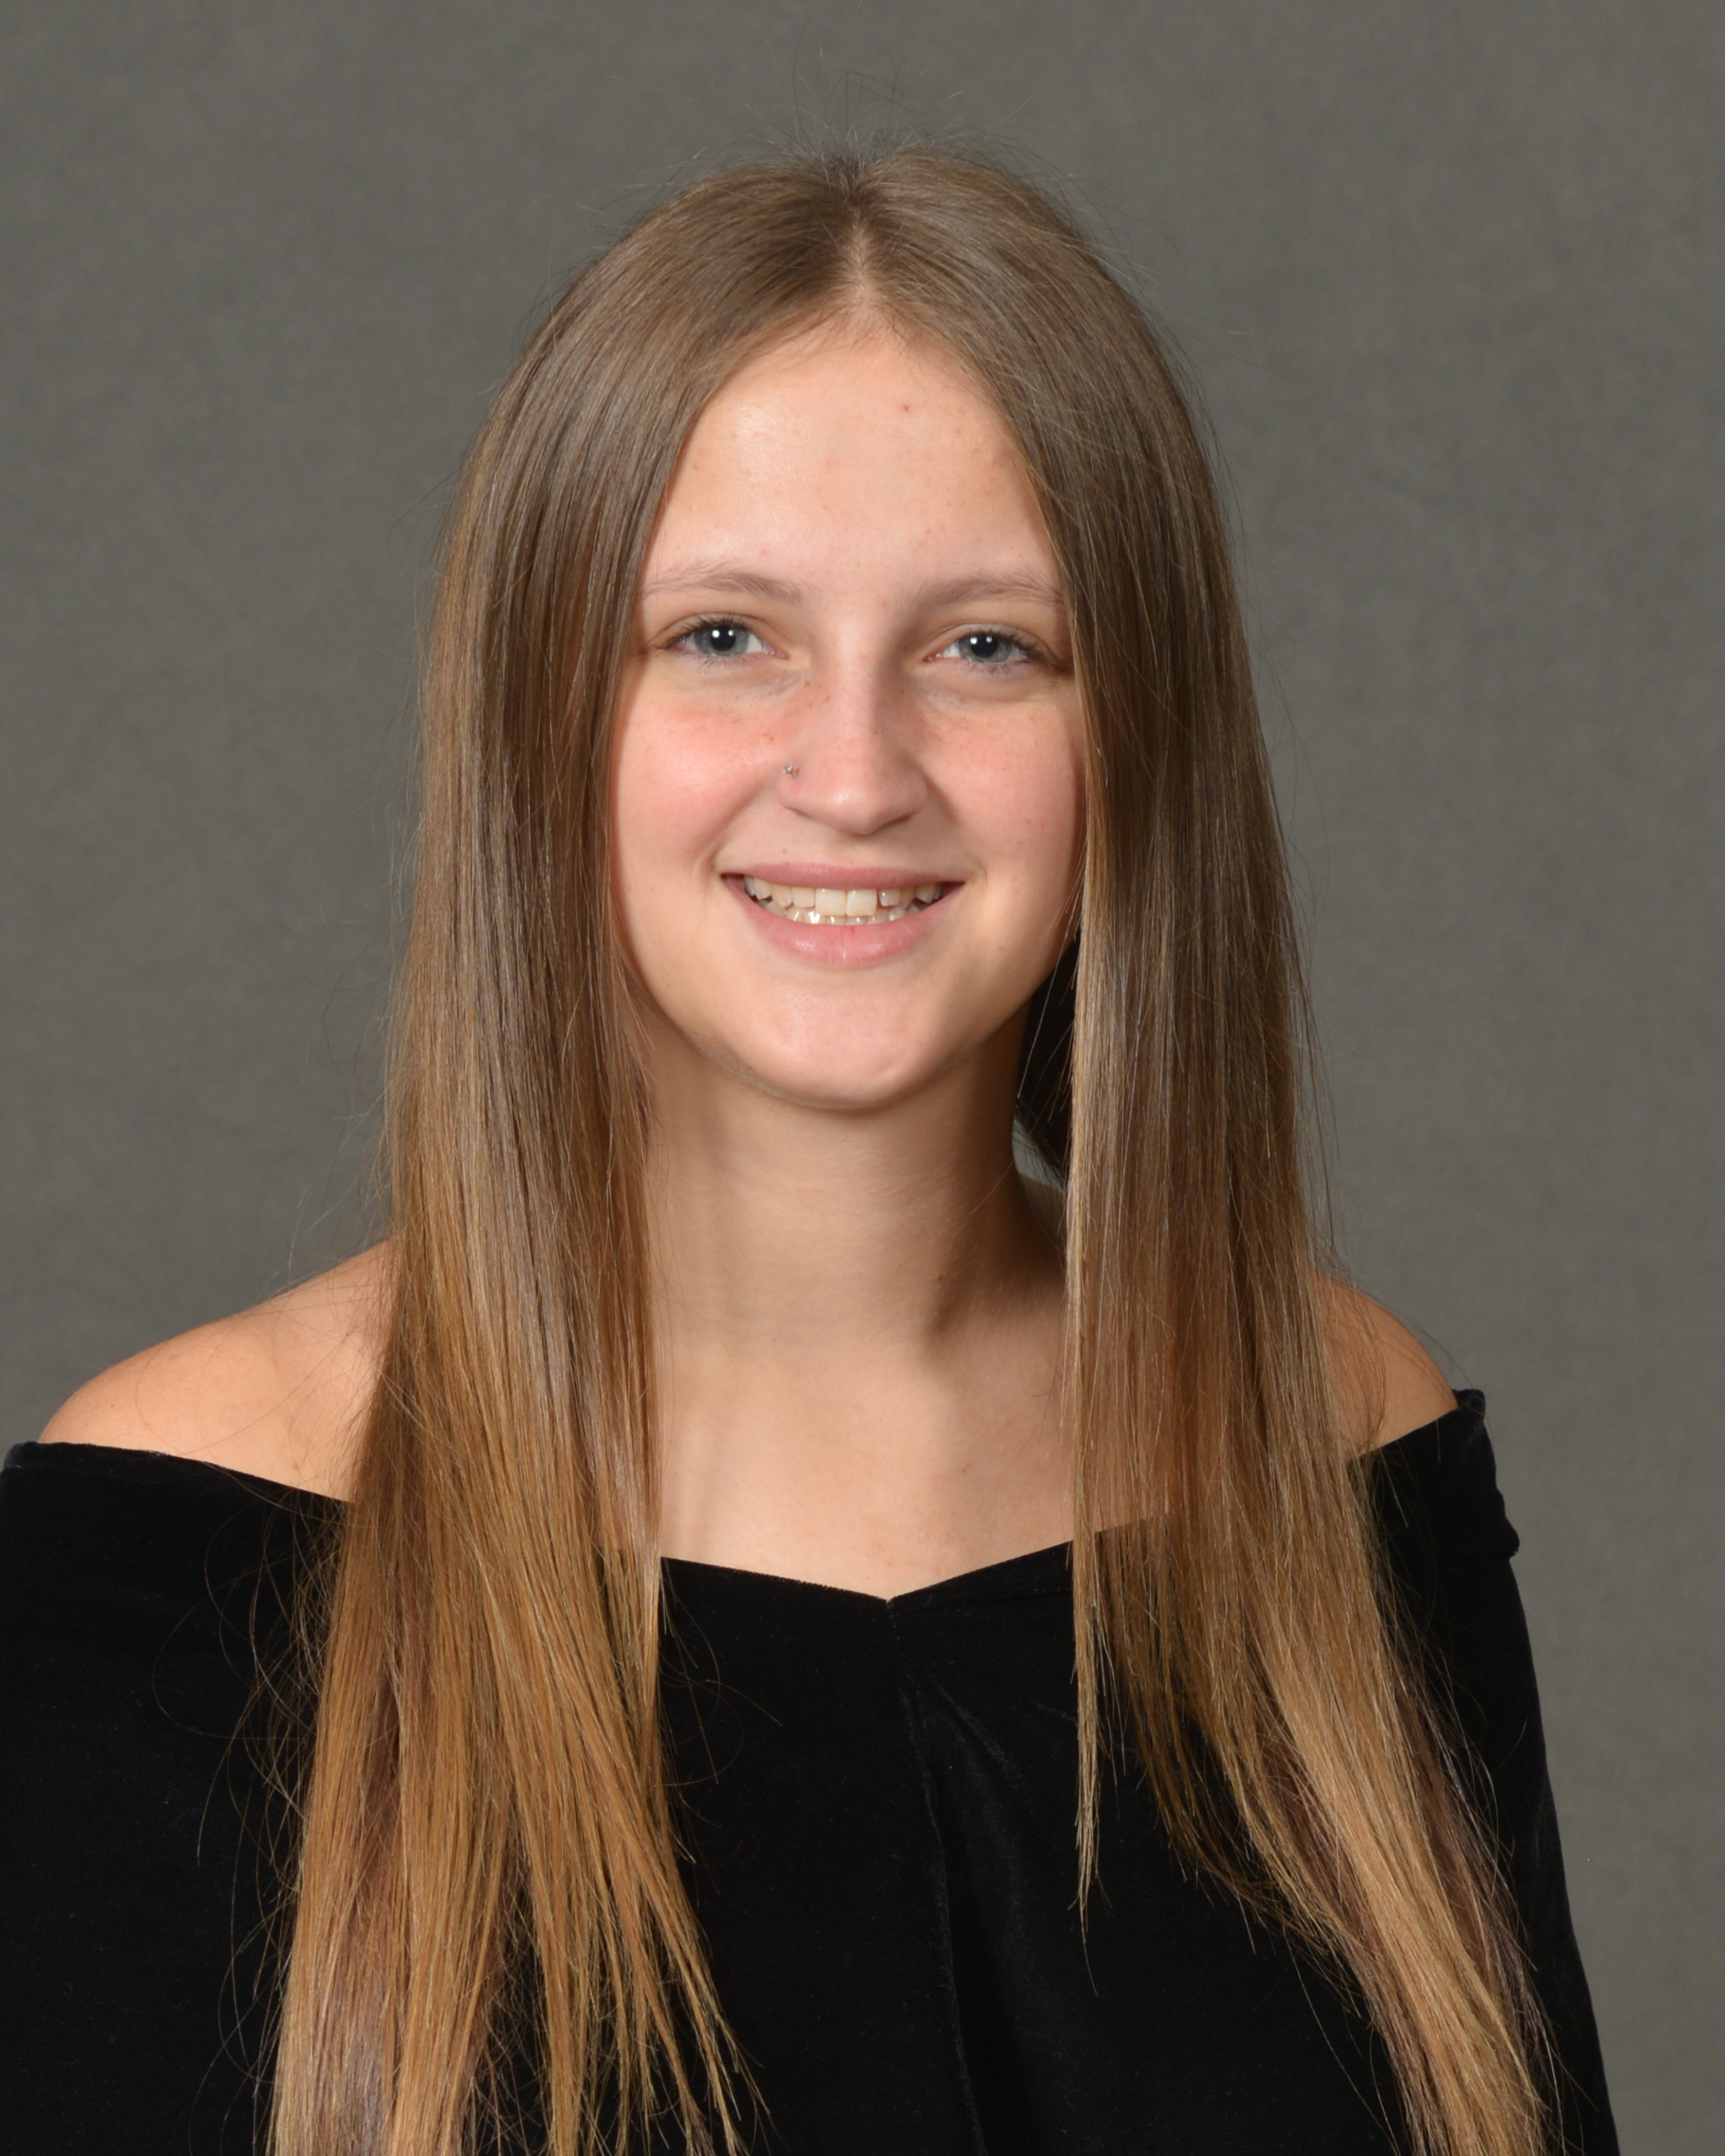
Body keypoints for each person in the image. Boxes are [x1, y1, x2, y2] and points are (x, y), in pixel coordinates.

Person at [0, 145, 1616, 2156]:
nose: (854, 774)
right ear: (542, 719)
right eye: (723, 636)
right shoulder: (186, 1533)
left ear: (1140, 738)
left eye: (987, 646)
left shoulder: (1330, 1436)